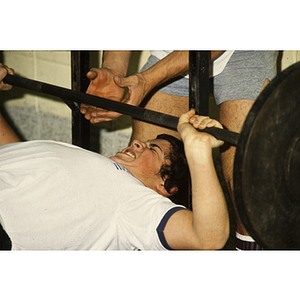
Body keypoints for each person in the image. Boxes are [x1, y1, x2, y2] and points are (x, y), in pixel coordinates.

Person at [0, 64, 229, 250]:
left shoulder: (138, 204)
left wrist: (197, 150)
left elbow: (208, 238)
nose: (139, 143)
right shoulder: (96, 172)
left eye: (153, 149)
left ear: (166, 187)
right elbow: (13, 155)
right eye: (147, 143)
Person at [80, 50, 279, 250]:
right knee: (137, 180)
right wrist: (114, 71)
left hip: (242, 51)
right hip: (168, 52)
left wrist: (146, 80)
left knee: (249, 195)